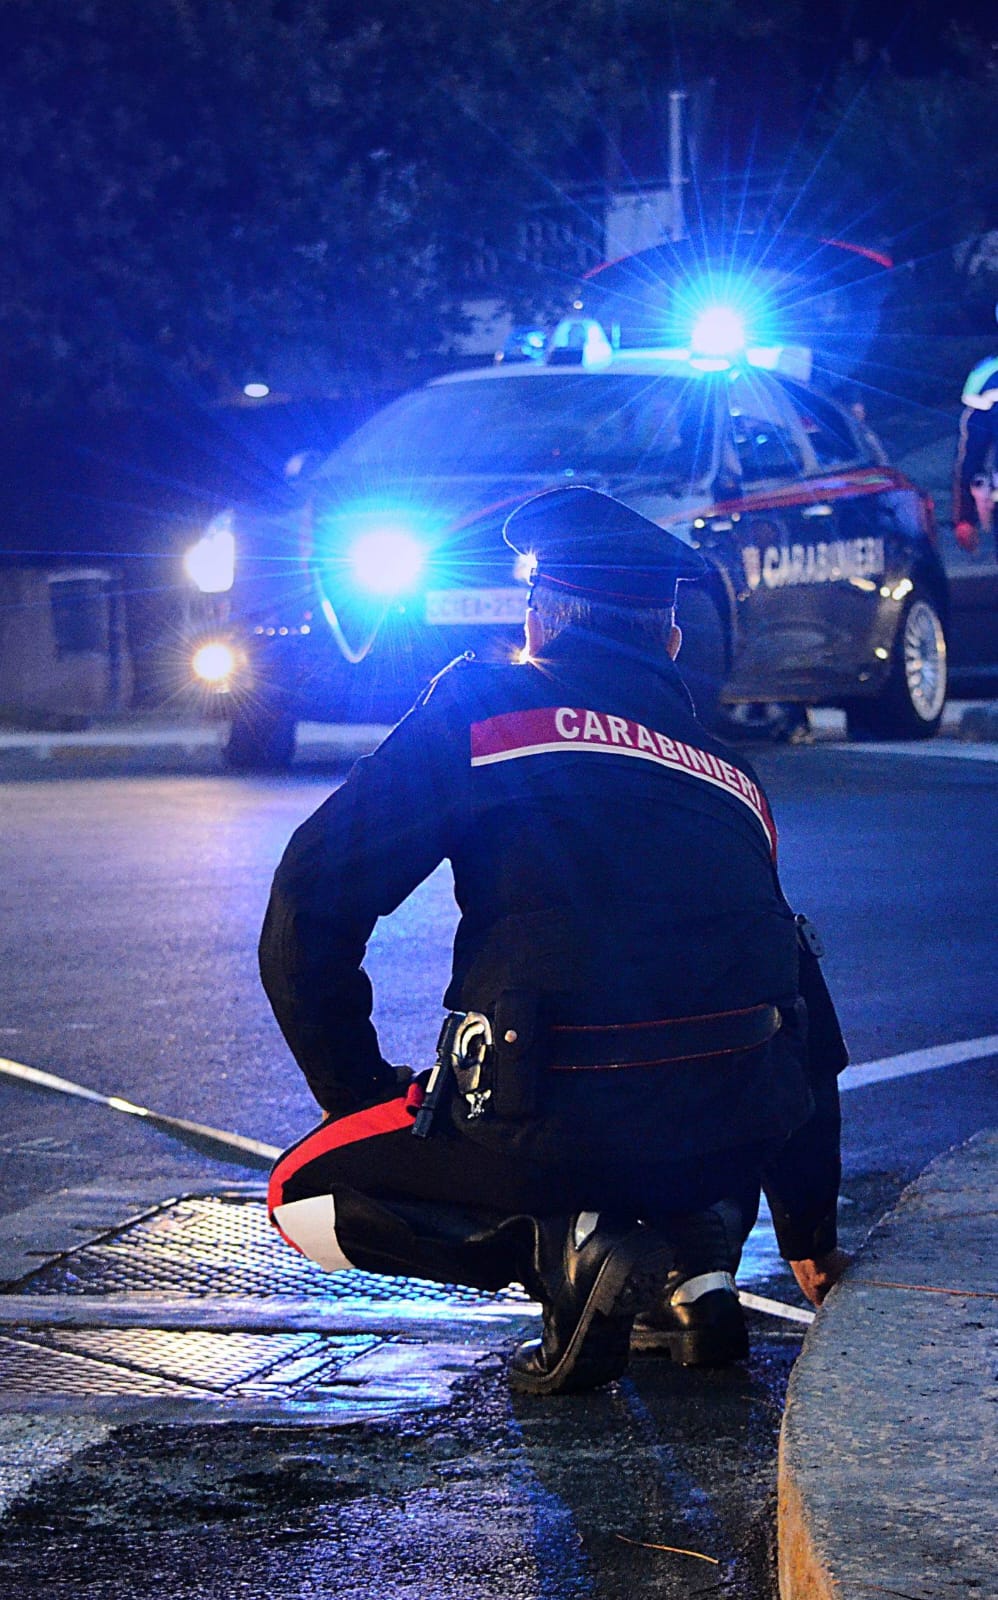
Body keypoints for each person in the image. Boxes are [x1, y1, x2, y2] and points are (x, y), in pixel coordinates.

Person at [261, 486, 850, 1397]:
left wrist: (358, 1093)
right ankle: (691, 1268)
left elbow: (311, 898)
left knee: (300, 1191)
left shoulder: (482, 709)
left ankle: (563, 1248)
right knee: (711, 1054)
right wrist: (810, 1237)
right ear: (671, 640)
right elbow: (807, 1012)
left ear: (540, 622)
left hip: (545, 1122)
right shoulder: (734, 776)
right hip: (725, 1136)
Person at [953, 308, 998, 556]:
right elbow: (968, 397)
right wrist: (989, 399)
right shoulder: (987, 368)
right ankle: (967, 519)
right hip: (984, 424)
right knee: (969, 461)